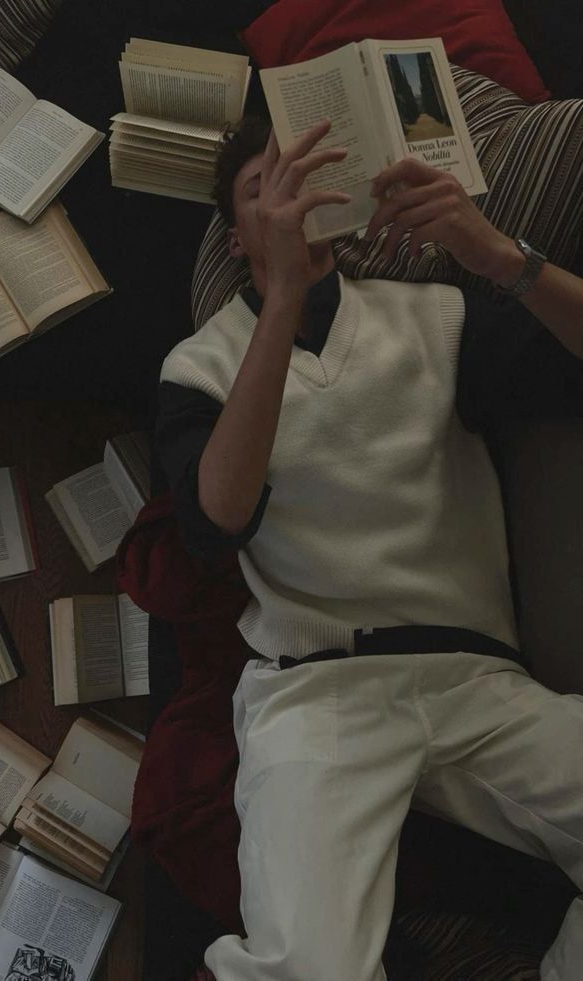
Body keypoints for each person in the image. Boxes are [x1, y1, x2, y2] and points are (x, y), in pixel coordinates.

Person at [155, 115, 583, 980]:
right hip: (316, 690)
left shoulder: (436, 316)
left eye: (301, 175)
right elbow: (216, 519)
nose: (289, 196)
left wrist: (501, 257)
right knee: (307, 967)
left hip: (476, 678)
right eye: (262, 189)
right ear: (236, 240)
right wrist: (283, 298)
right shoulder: (200, 363)